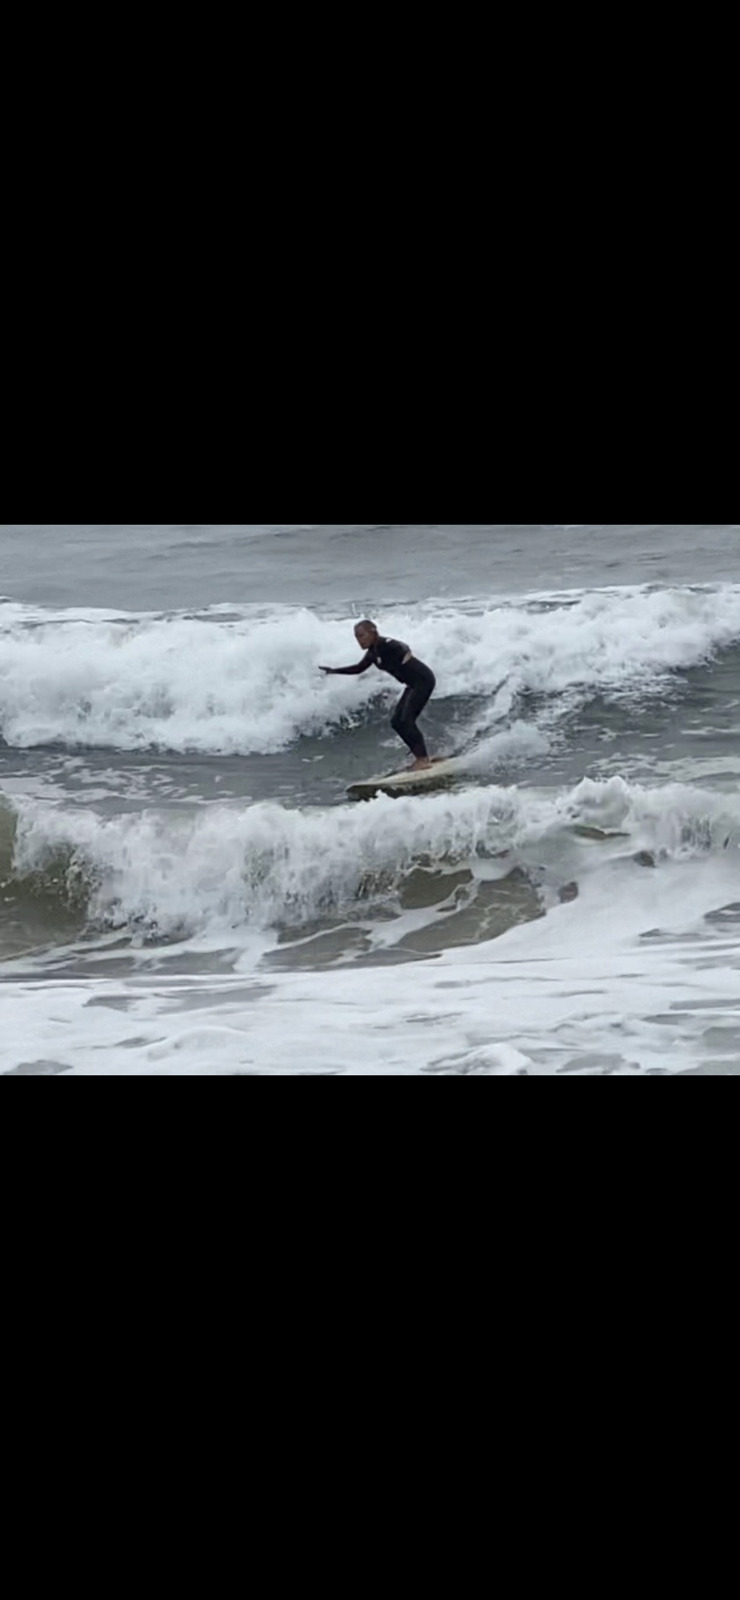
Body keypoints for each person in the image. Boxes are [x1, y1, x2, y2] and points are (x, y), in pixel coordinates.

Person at [320, 620, 437, 771]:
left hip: (423, 680)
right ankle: (421, 756)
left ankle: (423, 759)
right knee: (396, 722)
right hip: (412, 685)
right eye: (356, 637)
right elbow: (358, 669)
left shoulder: (386, 644)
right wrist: (333, 671)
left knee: (407, 720)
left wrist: (406, 655)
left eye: (362, 635)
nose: (359, 640)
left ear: (373, 632)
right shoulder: (372, 653)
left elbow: (403, 647)